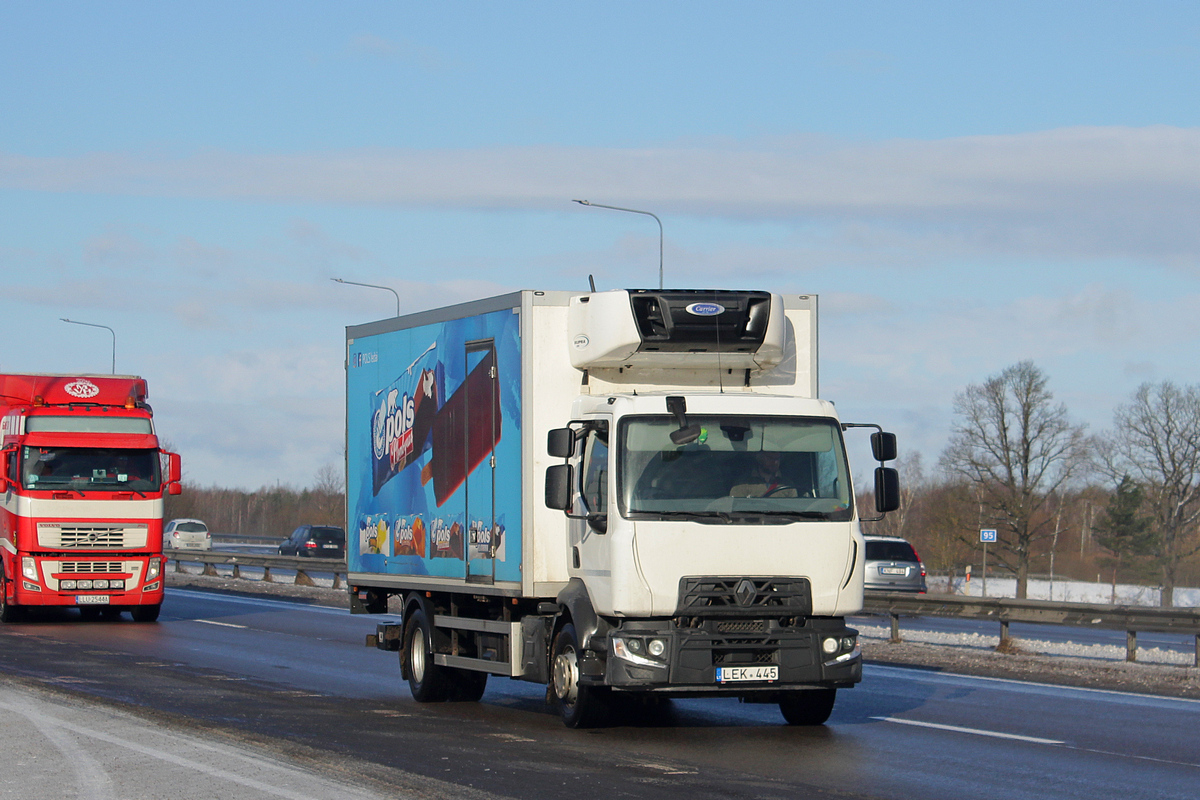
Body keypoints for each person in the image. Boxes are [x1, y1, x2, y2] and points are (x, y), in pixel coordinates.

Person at [730, 451, 797, 498]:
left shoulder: (787, 485)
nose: (775, 462)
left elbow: (794, 510)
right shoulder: (743, 484)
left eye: (777, 459)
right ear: (759, 458)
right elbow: (735, 509)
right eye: (770, 458)